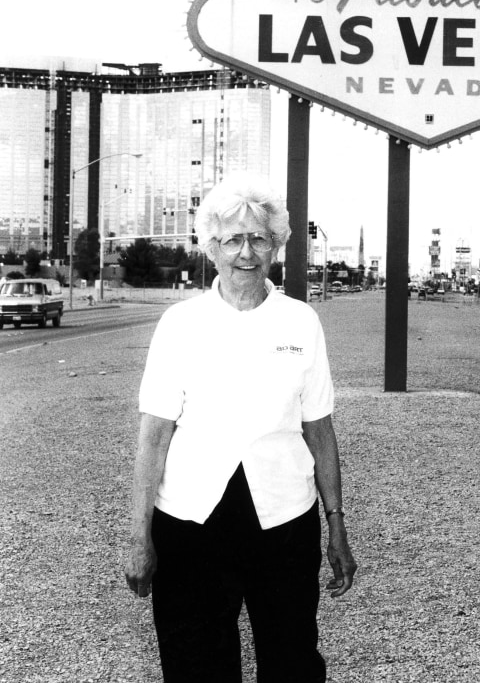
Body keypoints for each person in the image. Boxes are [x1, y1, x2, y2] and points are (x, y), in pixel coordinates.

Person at [125, 173, 357, 683]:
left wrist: (335, 522)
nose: (245, 252)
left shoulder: (301, 322)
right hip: (190, 521)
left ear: (275, 246)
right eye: (233, 239)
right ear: (212, 248)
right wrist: (139, 534)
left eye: (258, 238)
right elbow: (154, 434)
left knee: (292, 660)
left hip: (284, 521)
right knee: (195, 665)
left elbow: (319, 428)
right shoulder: (180, 324)